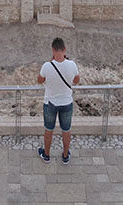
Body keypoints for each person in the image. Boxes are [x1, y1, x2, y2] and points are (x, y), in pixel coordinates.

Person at [37, 37, 80, 165]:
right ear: (65, 50)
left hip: (50, 103)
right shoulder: (72, 65)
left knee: (48, 129)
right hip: (67, 103)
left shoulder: (47, 66)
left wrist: (51, 63)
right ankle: (65, 156)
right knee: (66, 130)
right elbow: (76, 80)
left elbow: (40, 80)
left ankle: (47, 155)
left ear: (53, 50)